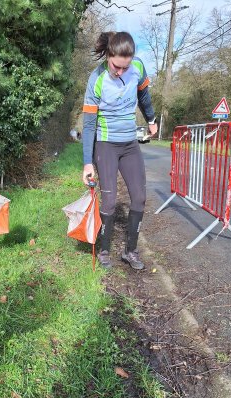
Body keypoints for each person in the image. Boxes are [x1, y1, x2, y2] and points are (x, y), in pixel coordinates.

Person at [82, 31, 157, 270]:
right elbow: (89, 124)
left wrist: (151, 119)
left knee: (139, 196)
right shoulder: (97, 79)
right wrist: (86, 162)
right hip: (106, 144)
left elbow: (144, 95)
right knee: (110, 199)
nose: (121, 72)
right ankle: (104, 250)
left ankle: (130, 251)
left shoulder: (137, 67)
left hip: (130, 144)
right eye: (117, 66)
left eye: (125, 67)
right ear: (108, 56)